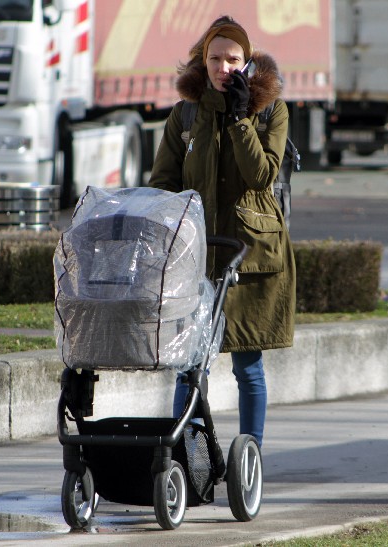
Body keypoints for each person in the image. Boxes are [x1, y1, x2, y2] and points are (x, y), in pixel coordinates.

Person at [149, 16, 296, 447]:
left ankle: (251, 453)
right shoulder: (186, 114)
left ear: (247, 62)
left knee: (248, 365)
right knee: (192, 364)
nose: (223, 67)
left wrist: (239, 119)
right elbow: (163, 183)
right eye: (215, 58)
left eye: (233, 58)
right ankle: (186, 451)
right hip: (197, 256)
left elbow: (261, 174)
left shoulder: (272, 110)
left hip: (249, 256)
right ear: (204, 60)